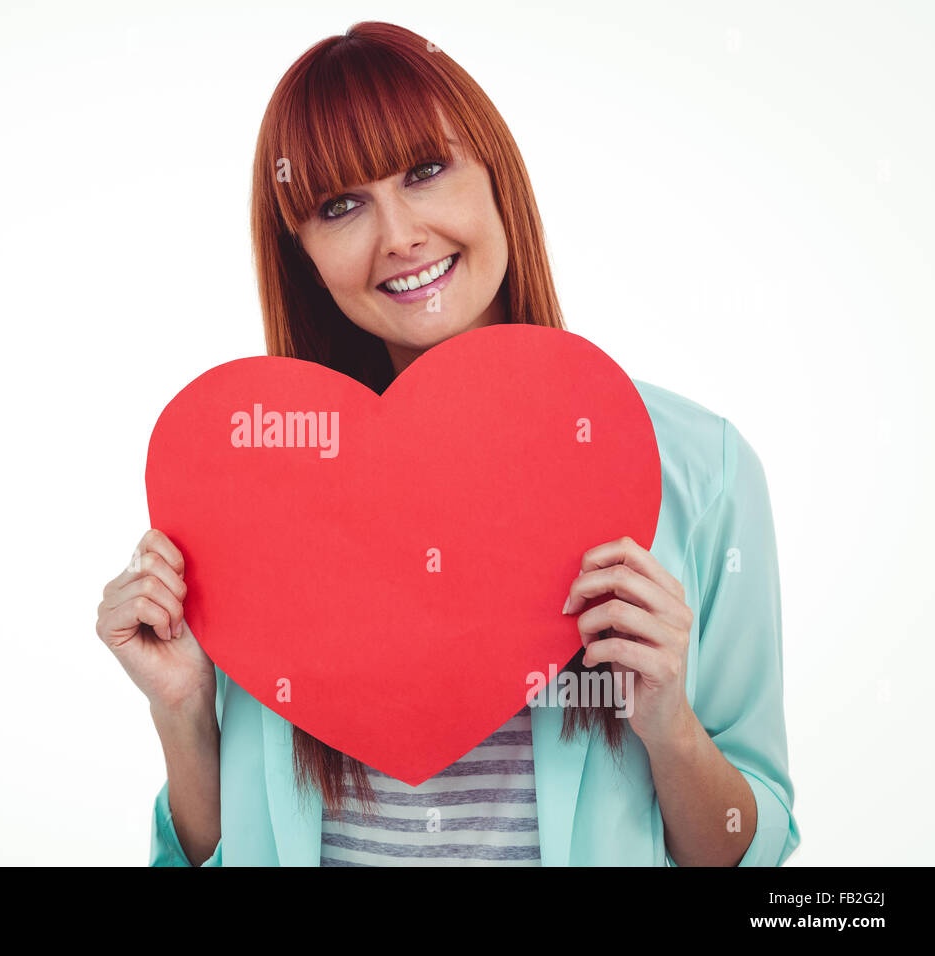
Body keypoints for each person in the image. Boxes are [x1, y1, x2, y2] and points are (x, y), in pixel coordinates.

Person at [95, 21, 800, 866]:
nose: (398, 235)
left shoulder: (703, 472)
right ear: (305, 255)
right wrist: (184, 716)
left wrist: (668, 726)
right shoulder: (260, 481)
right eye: (339, 206)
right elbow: (217, 853)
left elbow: (753, 851)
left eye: (425, 171)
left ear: (496, 175)